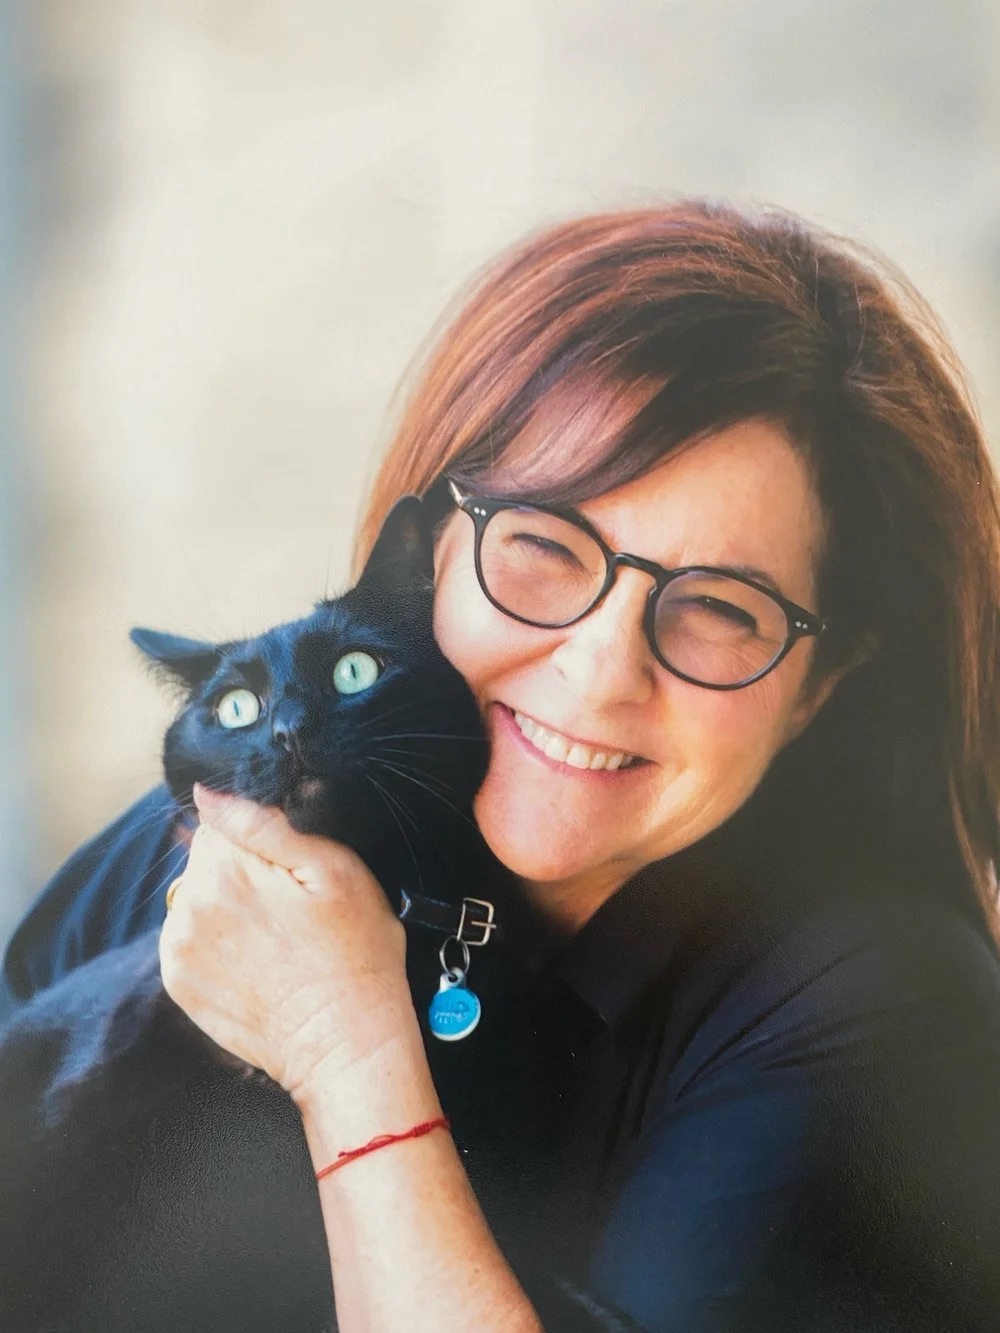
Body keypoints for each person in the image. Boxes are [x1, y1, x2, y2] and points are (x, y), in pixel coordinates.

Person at [3, 200, 1000, 1332]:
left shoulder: (881, 1017)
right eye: (540, 545)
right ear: (430, 554)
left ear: (820, 684)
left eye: (720, 607)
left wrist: (348, 1050)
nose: (600, 670)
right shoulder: (250, 838)